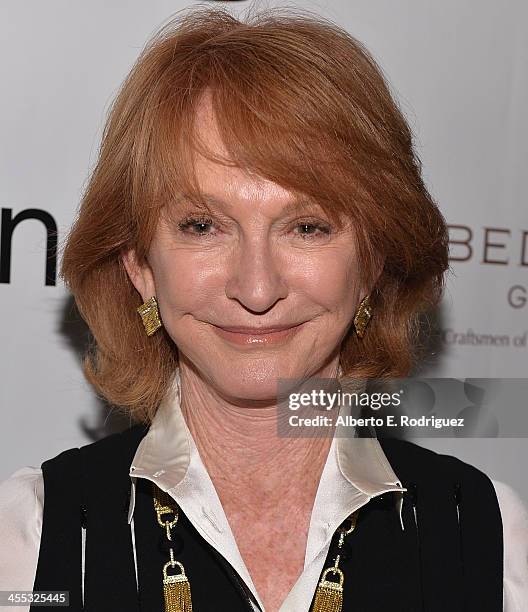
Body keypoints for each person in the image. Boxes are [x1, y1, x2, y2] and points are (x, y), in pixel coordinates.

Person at [1, 5, 527, 612]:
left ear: (373, 264)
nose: (256, 289)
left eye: (306, 227)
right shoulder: (35, 536)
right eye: (202, 225)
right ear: (139, 265)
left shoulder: (489, 540)